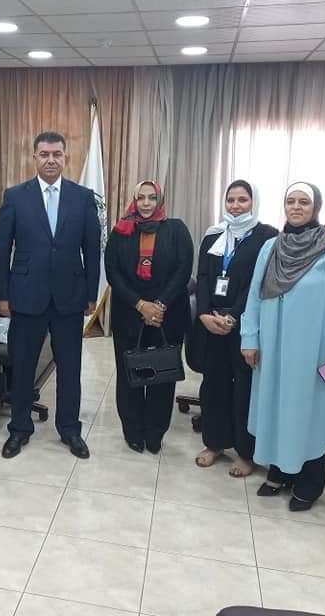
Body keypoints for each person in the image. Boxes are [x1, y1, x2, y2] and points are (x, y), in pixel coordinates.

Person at [241, 182, 325, 511]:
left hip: (315, 351)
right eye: (291, 201)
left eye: (303, 202)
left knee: (310, 415)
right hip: (273, 348)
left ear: (316, 207)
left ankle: (309, 482)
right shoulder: (271, 247)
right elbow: (254, 295)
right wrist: (249, 337)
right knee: (277, 409)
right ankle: (280, 472)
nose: (296, 207)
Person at [0, 131, 101, 460]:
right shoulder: (15, 196)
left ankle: (70, 429)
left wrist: (91, 294)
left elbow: (92, 249)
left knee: (69, 369)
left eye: (57, 154)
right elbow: (2, 249)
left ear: (66, 157)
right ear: (34, 157)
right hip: (26, 295)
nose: (51, 160)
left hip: (70, 297)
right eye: (44, 154)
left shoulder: (83, 197)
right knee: (23, 366)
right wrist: (2, 294)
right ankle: (19, 428)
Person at [193, 180, 277, 476]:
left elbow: (259, 283)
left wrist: (233, 316)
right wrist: (204, 314)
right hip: (211, 324)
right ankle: (214, 443)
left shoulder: (268, 237)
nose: (236, 206)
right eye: (231, 200)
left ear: (254, 202)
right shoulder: (213, 235)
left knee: (244, 389)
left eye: (243, 199)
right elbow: (203, 277)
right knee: (213, 385)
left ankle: (245, 452)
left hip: (245, 325)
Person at [105, 181, 193, 454]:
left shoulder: (176, 229)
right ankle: (133, 430)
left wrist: (159, 305)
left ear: (160, 200)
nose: (146, 203)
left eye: (152, 198)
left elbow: (183, 270)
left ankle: (155, 432)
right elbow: (112, 272)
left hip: (168, 314)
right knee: (129, 374)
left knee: (161, 376)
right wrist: (140, 305)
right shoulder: (120, 231)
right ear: (134, 200)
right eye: (141, 198)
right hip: (129, 314)